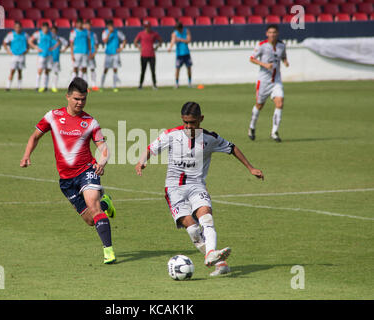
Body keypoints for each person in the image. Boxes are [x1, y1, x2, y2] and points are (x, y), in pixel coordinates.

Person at [135, 102, 264, 276]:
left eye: (193, 123)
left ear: (201, 119)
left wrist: (250, 168)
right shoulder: (171, 135)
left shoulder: (210, 138)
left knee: (207, 217)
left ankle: (211, 253)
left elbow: (232, 148)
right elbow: (150, 148)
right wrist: (142, 161)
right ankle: (220, 263)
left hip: (197, 186)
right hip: (174, 189)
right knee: (193, 229)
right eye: (186, 122)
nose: (189, 126)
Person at [20, 77, 117, 264]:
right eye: (76, 99)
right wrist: (26, 155)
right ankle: (106, 203)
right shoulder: (53, 116)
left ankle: (109, 251)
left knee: (92, 204)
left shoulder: (90, 122)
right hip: (66, 180)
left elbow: (104, 148)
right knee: (90, 220)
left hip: (87, 171)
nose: (80, 103)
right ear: (67, 97)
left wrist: (102, 162)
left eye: (83, 99)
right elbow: (35, 136)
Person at [248, 24, 289, 142]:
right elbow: (251, 58)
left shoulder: (282, 45)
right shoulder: (262, 45)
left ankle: (274, 132)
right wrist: (264, 64)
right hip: (264, 81)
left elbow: (283, 56)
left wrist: (285, 61)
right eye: (270, 32)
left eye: (274, 32)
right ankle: (252, 127)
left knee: (280, 103)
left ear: (277, 33)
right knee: (259, 105)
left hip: (276, 80)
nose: (272, 34)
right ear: (267, 34)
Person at [28, 22, 59, 93]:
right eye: (44, 28)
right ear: (42, 28)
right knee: (40, 70)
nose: (45, 29)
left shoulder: (51, 34)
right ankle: (37, 86)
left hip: (49, 54)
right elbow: (30, 41)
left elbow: (58, 41)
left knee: (47, 70)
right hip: (41, 55)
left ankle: (45, 87)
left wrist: (53, 48)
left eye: (47, 28)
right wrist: (36, 47)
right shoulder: (38, 34)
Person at [133, 20, 162, 90]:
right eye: (145, 27)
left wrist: (156, 47)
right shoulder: (141, 34)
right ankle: (140, 85)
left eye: (148, 27)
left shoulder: (154, 34)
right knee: (143, 71)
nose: (147, 28)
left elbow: (160, 40)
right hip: (143, 55)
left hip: (152, 55)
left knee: (153, 71)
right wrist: (139, 48)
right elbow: (135, 42)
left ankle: (154, 85)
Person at [101, 20, 126, 92]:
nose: (111, 27)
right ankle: (102, 85)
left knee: (115, 69)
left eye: (112, 26)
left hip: (115, 53)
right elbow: (105, 41)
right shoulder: (105, 32)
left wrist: (121, 48)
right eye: (109, 26)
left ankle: (114, 86)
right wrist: (109, 33)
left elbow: (124, 39)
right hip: (108, 53)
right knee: (106, 69)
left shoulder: (117, 32)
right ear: (107, 26)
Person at [3, 21, 29, 91]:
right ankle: (8, 86)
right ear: (14, 28)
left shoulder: (25, 35)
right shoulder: (11, 34)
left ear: (21, 28)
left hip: (21, 55)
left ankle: (19, 87)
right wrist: (8, 51)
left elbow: (29, 42)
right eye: (16, 27)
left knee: (20, 71)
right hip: (14, 55)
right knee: (12, 70)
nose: (17, 29)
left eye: (19, 27)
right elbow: (5, 42)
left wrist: (27, 50)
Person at [168, 22, 192, 88]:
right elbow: (172, 41)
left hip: (186, 53)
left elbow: (188, 41)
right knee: (177, 69)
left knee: (189, 68)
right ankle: (176, 83)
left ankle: (190, 83)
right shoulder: (174, 33)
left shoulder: (186, 31)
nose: (178, 30)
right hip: (179, 54)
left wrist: (180, 40)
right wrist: (170, 47)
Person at [49, 26, 69, 93]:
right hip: (48, 57)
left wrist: (63, 50)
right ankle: (45, 86)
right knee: (46, 71)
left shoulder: (59, 39)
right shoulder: (48, 38)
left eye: (54, 31)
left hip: (56, 58)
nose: (53, 33)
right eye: (52, 31)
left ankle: (54, 86)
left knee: (55, 72)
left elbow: (67, 44)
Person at [83, 20, 99, 91]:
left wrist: (94, 53)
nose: (88, 26)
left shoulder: (93, 34)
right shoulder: (83, 33)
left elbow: (96, 45)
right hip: (84, 54)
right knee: (84, 69)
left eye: (89, 25)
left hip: (91, 54)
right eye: (86, 25)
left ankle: (94, 85)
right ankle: (85, 86)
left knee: (92, 69)